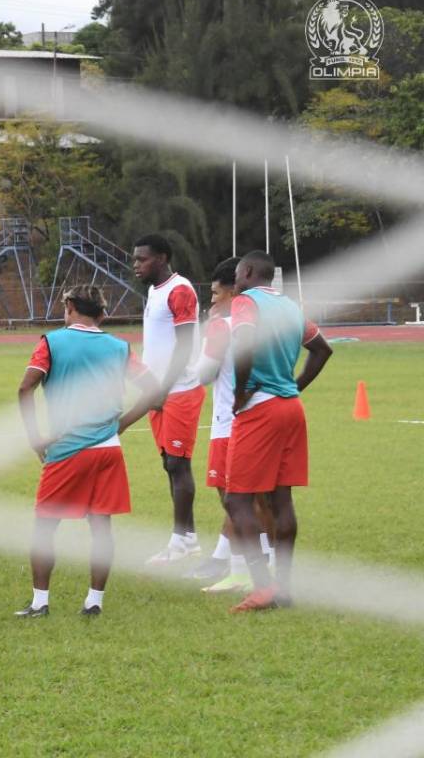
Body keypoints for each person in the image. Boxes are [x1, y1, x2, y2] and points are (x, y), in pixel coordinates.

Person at [15, 286, 157, 617]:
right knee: (101, 526)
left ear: (70, 307)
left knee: (45, 527)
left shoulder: (51, 342)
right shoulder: (119, 347)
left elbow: (25, 387)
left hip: (68, 448)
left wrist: (36, 437)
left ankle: (40, 603)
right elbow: (154, 389)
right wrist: (121, 424)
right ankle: (94, 601)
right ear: (101, 314)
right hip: (108, 448)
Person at [225, 251, 332, 613]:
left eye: (238, 273)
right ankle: (282, 587)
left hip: (260, 410)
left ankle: (263, 587)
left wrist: (239, 393)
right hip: (290, 409)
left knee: (237, 499)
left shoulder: (245, 302)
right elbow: (322, 349)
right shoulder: (290, 307)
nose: (235, 279)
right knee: (280, 498)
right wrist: (295, 386)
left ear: (250, 271)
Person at [192, 258, 276, 592]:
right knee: (263, 499)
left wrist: (206, 335)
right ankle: (267, 562)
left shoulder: (223, 326)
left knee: (235, 500)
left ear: (232, 289)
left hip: (231, 423)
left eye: (214, 293)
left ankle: (242, 571)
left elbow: (203, 374)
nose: (211, 300)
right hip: (267, 417)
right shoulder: (267, 321)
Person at [132, 233, 206, 565]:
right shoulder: (154, 291)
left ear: (162, 258)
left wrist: (163, 386)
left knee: (179, 463)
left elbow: (185, 344)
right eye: (135, 259)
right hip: (160, 392)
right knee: (169, 463)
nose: (136, 265)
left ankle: (180, 542)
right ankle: (187, 540)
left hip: (179, 390)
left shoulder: (180, 290)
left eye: (142, 259)